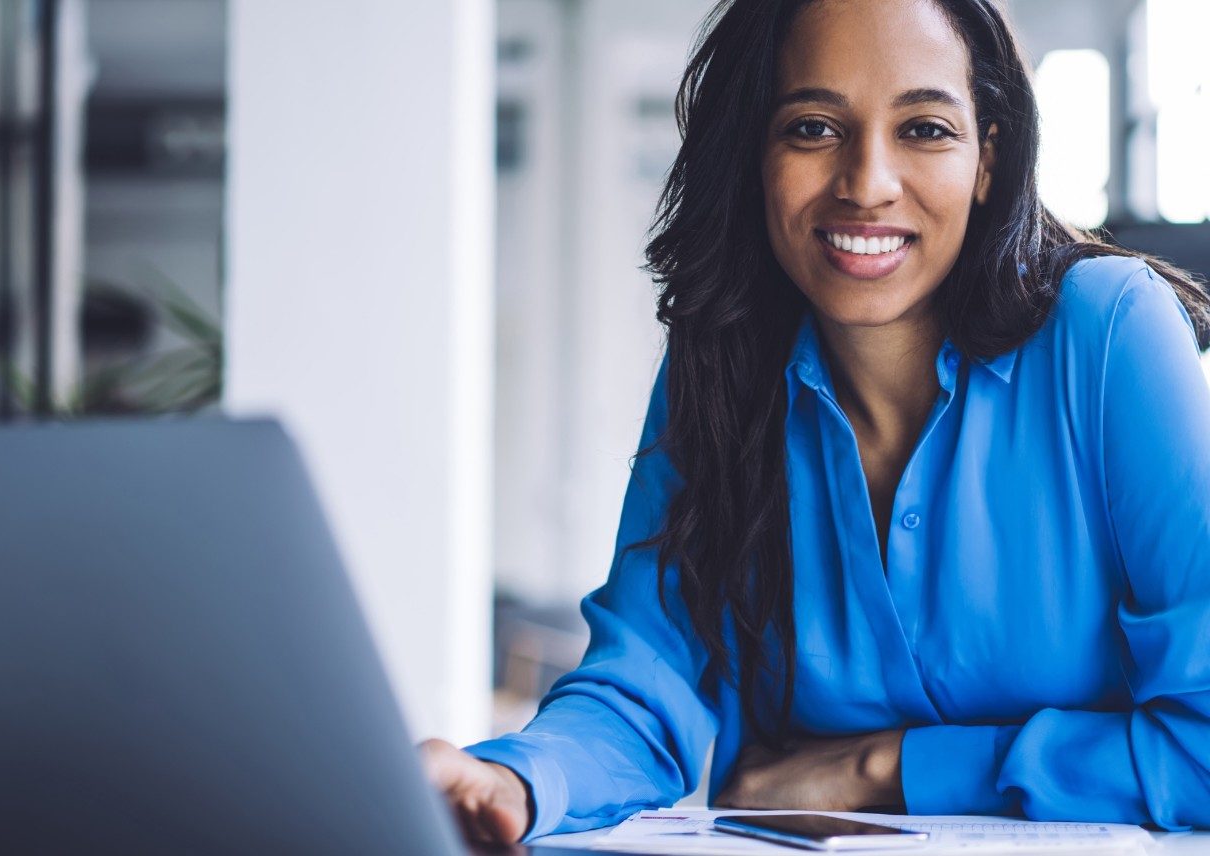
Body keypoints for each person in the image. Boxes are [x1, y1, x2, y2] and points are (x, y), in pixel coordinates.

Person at [420, 0, 1210, 845]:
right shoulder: (720, 366)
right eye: (812, 127)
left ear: (990, 156)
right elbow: (644, 691)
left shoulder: (1111, 334)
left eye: (926, 129)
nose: (867, 183)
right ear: (754, 154)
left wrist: (886, 770)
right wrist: (510, 777)